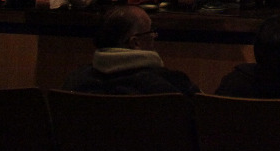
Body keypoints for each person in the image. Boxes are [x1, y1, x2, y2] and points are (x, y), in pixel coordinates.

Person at [61, 5, 198, 94]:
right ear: (135, 43)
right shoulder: (172, 85)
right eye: (151, 31)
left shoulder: (74, 82)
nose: (154, 36)